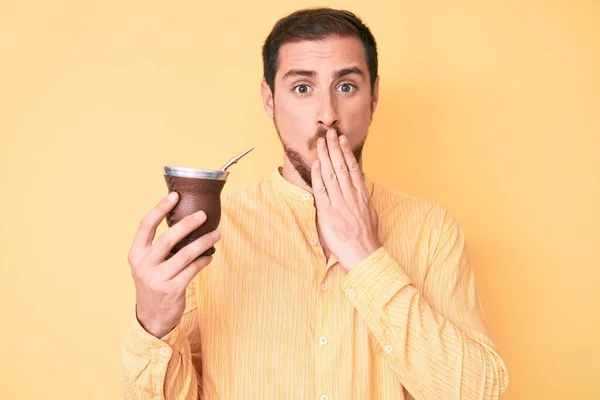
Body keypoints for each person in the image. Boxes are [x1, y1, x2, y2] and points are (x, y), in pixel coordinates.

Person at [121, 7, 508, 400]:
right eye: (303, 88)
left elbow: (477, 392)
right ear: (270, 100)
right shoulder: (213, 235)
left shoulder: (432, 230)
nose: (327, 115)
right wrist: (154, 321)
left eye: (346, 87)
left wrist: (365, 256)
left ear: (373, 96)